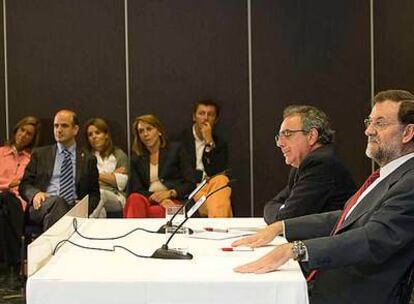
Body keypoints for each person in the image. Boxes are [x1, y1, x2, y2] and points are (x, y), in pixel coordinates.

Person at [233, 90, 414, 304]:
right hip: (333, 281)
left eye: (380, 123)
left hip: (354, 293)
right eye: (369, 121)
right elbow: (345, 218)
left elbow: (374, 238)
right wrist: (282, 227)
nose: (368, 131)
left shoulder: (409, 180)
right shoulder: (390, 175)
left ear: (408, 132)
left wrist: (298, 249)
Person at [263, 105, 356, 224]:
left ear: (311, 136)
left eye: (287, 134)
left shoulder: (321, 164)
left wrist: (281, 209)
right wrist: (281, 209)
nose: (280, 143)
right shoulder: (303, 165)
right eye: (279, 137)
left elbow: (285, 220)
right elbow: (272, 204)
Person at [19, 109, 100, 231]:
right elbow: (24, 185)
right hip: (42, 206)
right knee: (58, 202)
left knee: (58, 213)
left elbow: (94, 194)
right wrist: (35, 193)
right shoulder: (40, 154)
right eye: (56, 126)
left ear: (75, 130)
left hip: (73, 209)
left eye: (64, 126)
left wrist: (84, 208)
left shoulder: (88, 159)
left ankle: (51, 249)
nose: (59, 130)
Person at [124, 114, 195, 218]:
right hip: (149, 200)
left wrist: (170, 193)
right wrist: (156, 197)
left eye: (149, 129)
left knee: (151, 212)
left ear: (159, 131)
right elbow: (135, 189)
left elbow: (190, 184)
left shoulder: (176, 150)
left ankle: (136, 232)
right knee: (134, 199)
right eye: (141, 131)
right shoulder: (136, 159)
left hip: (173, 200)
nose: (145, 134)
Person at [0, 116, 40, 287]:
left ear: (33, 138)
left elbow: (27, 184)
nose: (24, 135)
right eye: (22, 130)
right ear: (16, 130)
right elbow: (15, 183)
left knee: (7, 203)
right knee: (3, 209)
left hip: (18, 203)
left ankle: (10, 267)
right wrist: (9, 184)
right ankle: (18, 263)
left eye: (29, 134)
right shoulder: (1, 153)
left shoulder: (32, 159)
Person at [178, 100, 232, 217]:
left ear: (216, 120)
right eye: (201, 113)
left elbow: (217, 172)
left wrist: (209, 142)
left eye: (210, 114)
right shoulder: (180, 140)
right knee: (220, 202)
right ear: (194, 117)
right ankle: (220, 226)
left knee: (221, 180)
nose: (205, 118)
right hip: (192, 186)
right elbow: (179, 171)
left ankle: (218, 224)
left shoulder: (220, 143)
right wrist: (200, 177)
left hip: (213, 185)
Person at [84, 118, 128, 218]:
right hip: (93, 198)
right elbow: (83, 182)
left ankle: (86, 220)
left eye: (97, 133)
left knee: (101, 194)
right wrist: (110, 176)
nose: (94, 137)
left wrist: (95, 176)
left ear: (106, 135)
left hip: (116, 197)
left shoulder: (119, 155)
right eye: (90, 135)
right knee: (101, 210)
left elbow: (122, 182)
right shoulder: (85, 157)